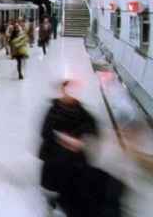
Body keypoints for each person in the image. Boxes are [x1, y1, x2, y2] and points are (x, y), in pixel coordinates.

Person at [38, 80, 104, 217]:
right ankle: (55, 199)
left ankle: (71, 199)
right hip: (55, 153)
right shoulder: (54, 109)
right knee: (57, 172)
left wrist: (79, 140)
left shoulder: (81, 110)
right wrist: (62, 139)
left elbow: (93, 126)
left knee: (74, 176)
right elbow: (45, 132)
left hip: (74, 155)